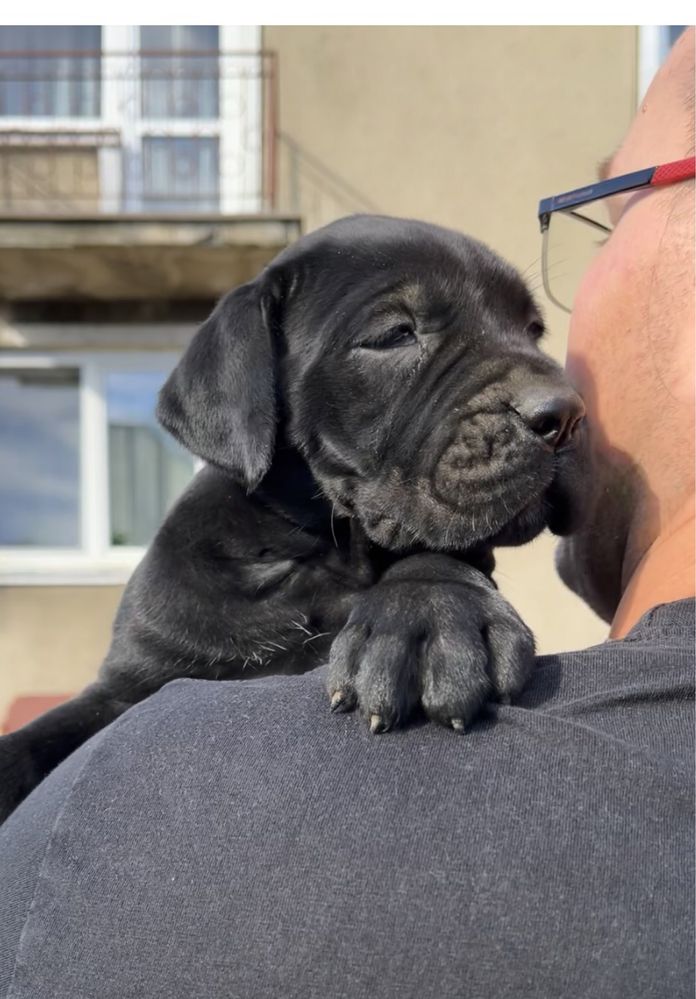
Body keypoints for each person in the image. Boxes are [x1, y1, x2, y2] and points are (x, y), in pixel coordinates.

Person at [0, 29, 693, 999]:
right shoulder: (182, 590)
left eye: (524, 332)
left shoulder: (430, 560)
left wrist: (438, 579)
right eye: (399, 333)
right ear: (257, 395)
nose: (542, 391)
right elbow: (108, 717)